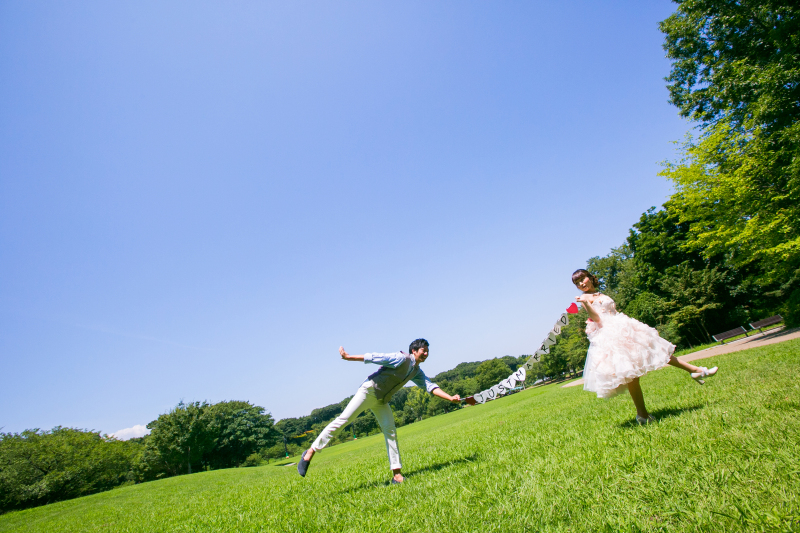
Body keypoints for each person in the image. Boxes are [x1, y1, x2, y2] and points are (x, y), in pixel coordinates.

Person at [297, 338, 461, 483]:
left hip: (382, 400)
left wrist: (450, 397)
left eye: (427, 351)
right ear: (414, 350)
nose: (426, 353)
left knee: (390, 432)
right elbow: (376, 357)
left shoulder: (416, 371)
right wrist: (348, 357)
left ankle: (397, 475)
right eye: (423, 350)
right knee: (343, 420)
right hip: (368, 392)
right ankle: (310, 452)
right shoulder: (401, 358)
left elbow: (429, 386)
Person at [572, 269, 718, 424]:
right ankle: (642, 414)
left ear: (589, 277)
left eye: (582, 279)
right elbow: (597, 319)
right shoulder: (585, 297)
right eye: (577, 283)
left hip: (623, 327)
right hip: (611, 334)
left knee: (655, 350)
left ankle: (695, 371)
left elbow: (613, 311)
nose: (581, 284)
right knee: (632, 376)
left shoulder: (600, 294)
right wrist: (586, 304)